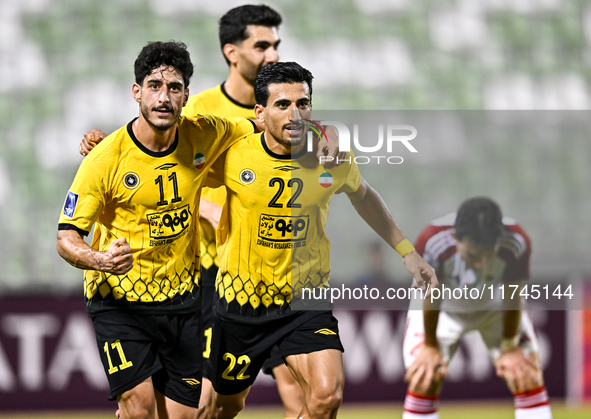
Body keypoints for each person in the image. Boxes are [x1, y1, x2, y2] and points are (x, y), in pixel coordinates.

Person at [204, 61, 438, 419]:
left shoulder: (330, 157)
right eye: (282, 105)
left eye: (303, 103)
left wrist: (408, 253)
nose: (295, 114)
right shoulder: (234, 152)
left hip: (304, 298)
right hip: (241, 302)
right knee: (222, 407)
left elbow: (363, 195)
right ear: (260, 113)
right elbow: (174, 169)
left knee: (326, 397)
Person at [56, 41, 257, 419]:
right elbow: (66, 238)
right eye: (154, 86)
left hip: (181, 300)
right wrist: (100, 259)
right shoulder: (105, 159)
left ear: (186, 97)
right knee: (141, 410)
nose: (163, 97)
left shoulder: (205, 133)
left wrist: (317, 137)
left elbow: (261, 122)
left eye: (174, 88)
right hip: (119, 300)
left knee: (186, 415)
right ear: (137, 92)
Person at [402, 197, 552, 419]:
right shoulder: (432, 240)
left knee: (526, 374)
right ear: (454, 237)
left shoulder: (517, 240)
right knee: (424, 377)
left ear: (499, 240)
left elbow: (513, 296)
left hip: (495, 305)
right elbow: (432, 295)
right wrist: (431, 346)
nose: (481, 264)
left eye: (488, 254)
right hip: (444, 307)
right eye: (473, 255)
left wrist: (509, 346)